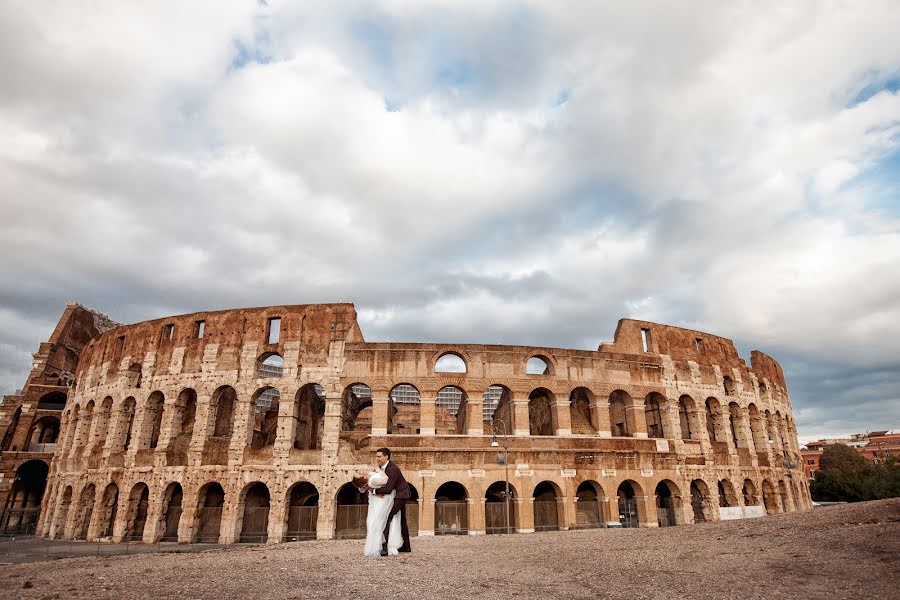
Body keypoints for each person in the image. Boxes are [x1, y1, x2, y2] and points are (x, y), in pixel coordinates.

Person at [369, 447, 411, 556]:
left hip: (400, 495)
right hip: (398, 494)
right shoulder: (382, 467)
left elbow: (388, 489)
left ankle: (385, 547)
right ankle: (407, 546)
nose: (377, 458)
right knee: (402, 520)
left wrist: (373, 491)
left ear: (386, 456)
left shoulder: (392, 469)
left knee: (386, 518)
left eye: (379, 456)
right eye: (376, 456)